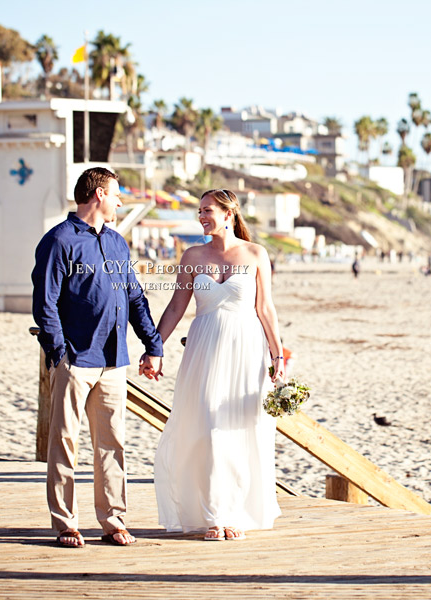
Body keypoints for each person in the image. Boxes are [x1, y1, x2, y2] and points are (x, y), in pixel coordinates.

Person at [31, 167, 163, 549]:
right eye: (116, 194)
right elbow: (45, 303)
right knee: (64, 443)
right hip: (75, 359)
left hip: (113, 360)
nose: (120, 201)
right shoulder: (58, 241)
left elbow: (135, 297)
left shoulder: (118, 243)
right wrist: (59, 353)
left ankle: (113, 520)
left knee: (112, 444)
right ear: (98, 194)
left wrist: (152, 344)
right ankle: (66, 523)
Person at [150, 188, 283, 542]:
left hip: (246, 352)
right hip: (204, 351)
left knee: (239, 430)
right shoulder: (193, 256)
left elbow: (265, 309)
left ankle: (234, 514)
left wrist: (277, 355)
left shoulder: (256, 254)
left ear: (229, 213)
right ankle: (212, 514)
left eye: (208, 210)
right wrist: (154, 347)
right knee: (208, 427)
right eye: (199, 211)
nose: (202, 216)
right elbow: (176, 307)